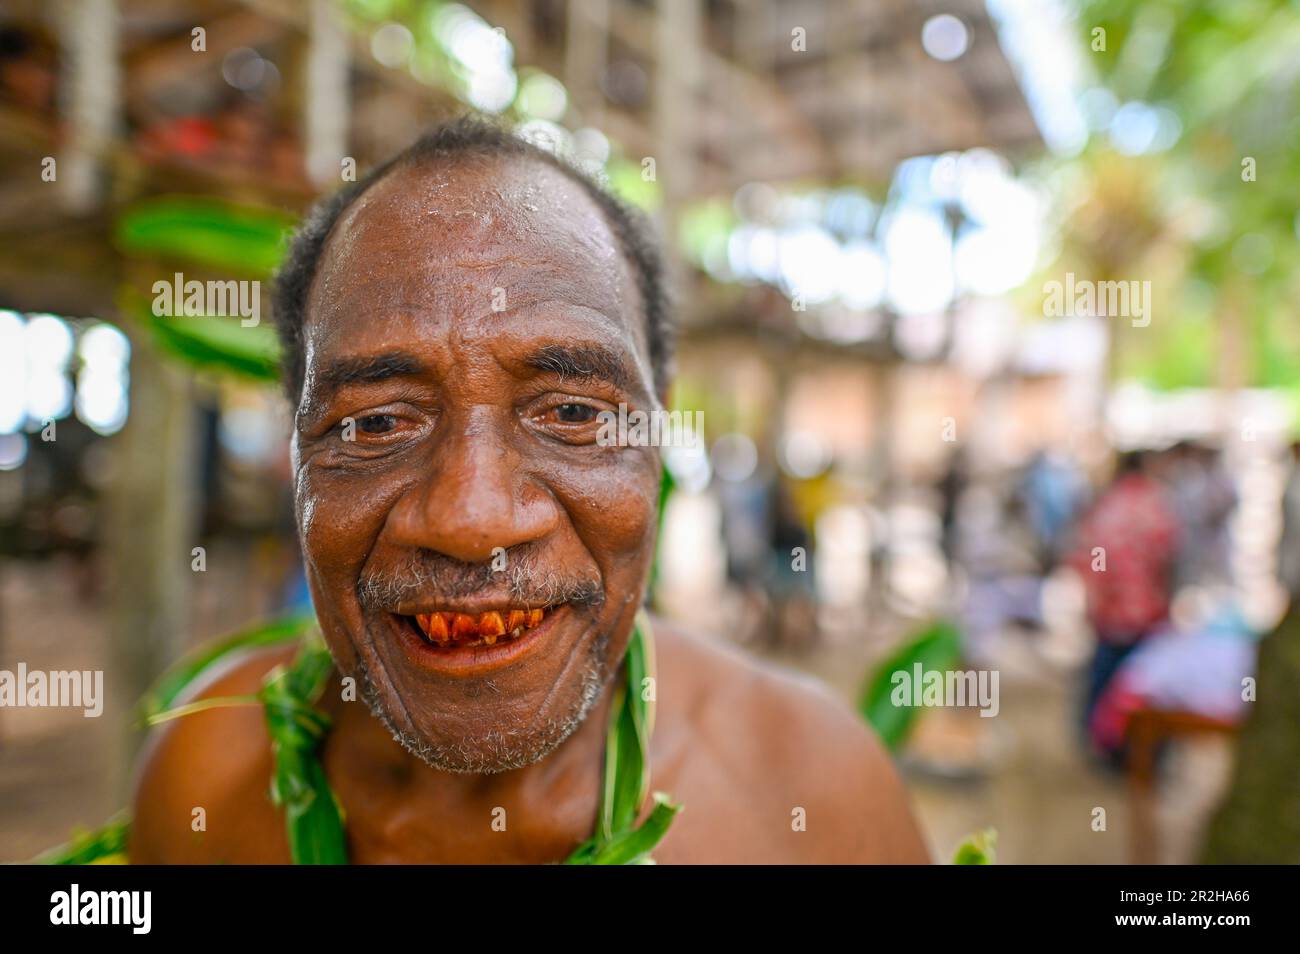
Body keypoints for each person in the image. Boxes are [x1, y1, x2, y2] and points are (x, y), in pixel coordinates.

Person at [128, 116, 928, 864]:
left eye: (575, 413)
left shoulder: (818, 801)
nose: (471, 521)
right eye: (374, 425)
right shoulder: (205, 780)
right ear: (296, 455)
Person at [1065, 450, 1180, 756]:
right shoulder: (1157, 506)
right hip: (1146, 613)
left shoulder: (1107, 507)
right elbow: (1168, 559)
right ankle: (1127, 747)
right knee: (1137, 684)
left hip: (1112, 613)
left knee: (1106, 679)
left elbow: (1086, 560)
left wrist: (1094, 603)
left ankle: (1102, 742)